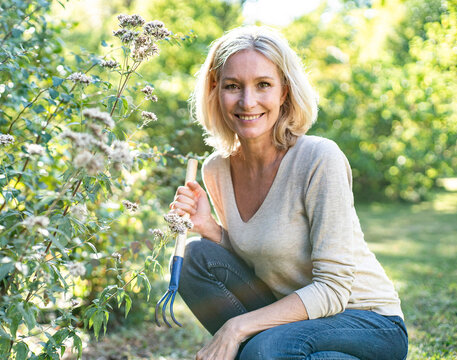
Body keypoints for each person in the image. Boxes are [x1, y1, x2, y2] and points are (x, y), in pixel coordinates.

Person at [169, 26, 408, 360]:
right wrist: (210, 229)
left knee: (267, 348)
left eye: (263, 85)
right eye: (233, 86)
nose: (247, 101)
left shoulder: (318, 158)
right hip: (290, 316)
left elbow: (334, 289)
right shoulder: (216, 169)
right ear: (216, 90)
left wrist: (236, 327)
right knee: (196, 257)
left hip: (366, 321)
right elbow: (262, 257)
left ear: (284, 91)